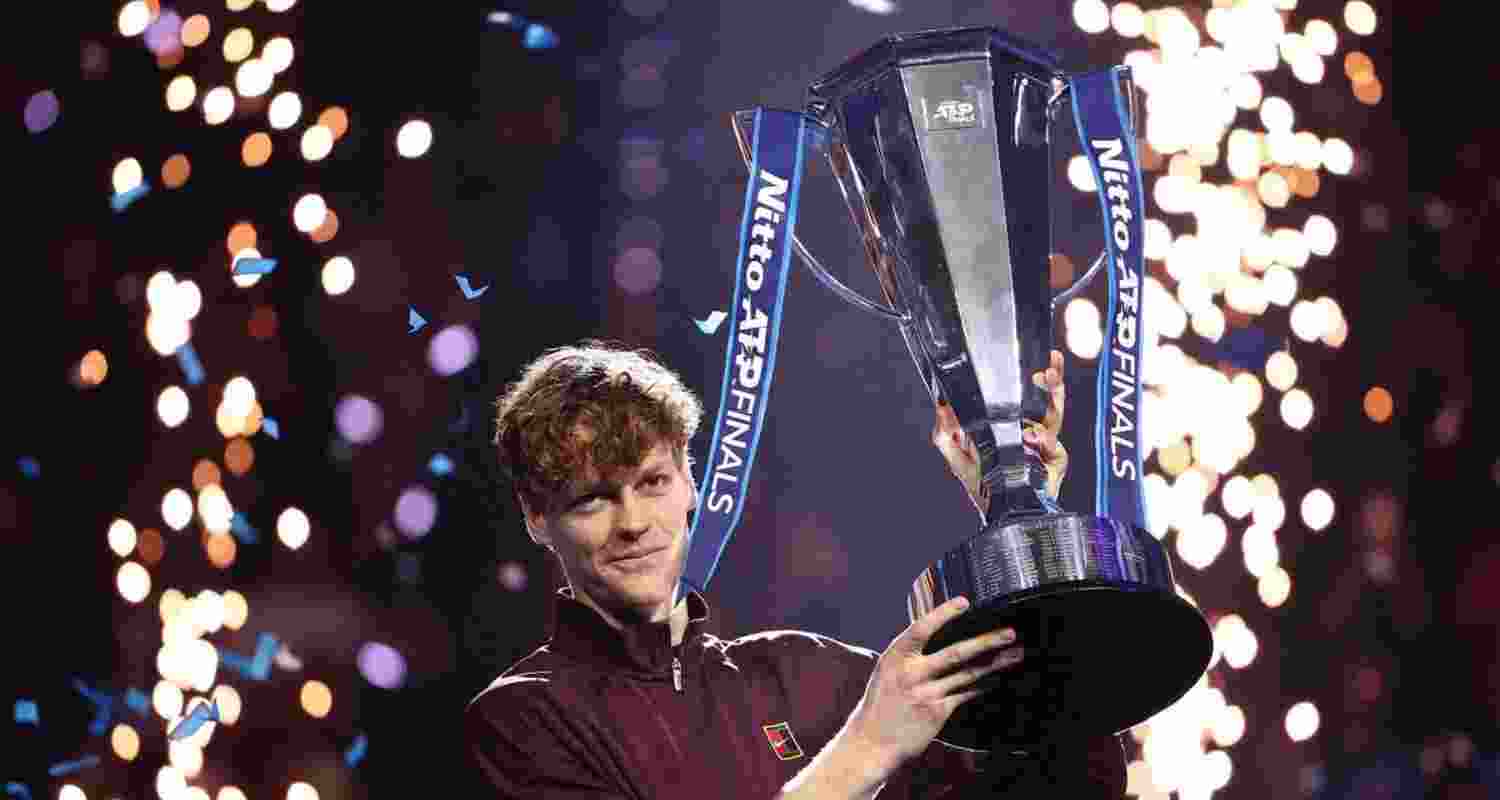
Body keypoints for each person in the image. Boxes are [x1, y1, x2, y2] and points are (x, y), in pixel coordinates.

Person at [466, 339, 1125, 798]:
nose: (634, 521)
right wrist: (867, 749)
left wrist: (1019, 518)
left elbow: (1066, 782)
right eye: (594, 499)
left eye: (652, 482)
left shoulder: (805, 672)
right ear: (537, 517)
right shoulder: (522, 722)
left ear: (690, 481)